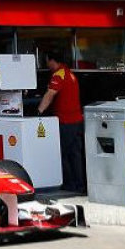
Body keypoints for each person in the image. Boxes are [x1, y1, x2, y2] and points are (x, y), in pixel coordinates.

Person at [37, 51, 85, 195]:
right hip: (77, 121)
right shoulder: (70, 74)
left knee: (62, 154)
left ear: (52, 60)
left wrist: (39, 111)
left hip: (66, 122)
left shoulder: (59, 75)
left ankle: (69, 185)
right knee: (75, 154)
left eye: (46, 60)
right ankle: (79, 185)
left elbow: (50, 94)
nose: (46, 64)